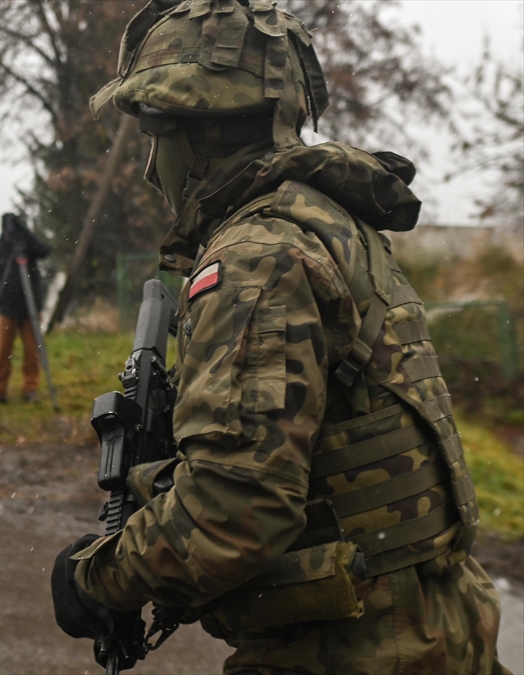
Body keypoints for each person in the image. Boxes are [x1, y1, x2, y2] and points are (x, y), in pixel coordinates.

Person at [50, 0, 507, 672]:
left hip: (354, 648)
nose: (151, 170)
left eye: (157, 137)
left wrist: (93, 579)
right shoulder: (334, 226)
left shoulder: (254, 260)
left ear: (204, 131)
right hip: (432, 627)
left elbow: (235, 512)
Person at [0, 213, 51, 403]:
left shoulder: (29, 245)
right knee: (3, 351)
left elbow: (45, 250)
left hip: (30, 308)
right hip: (7, 307)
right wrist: (1, 249)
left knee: (31, 351)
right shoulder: (2, 245)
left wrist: (25, 232)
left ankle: (30, 389)